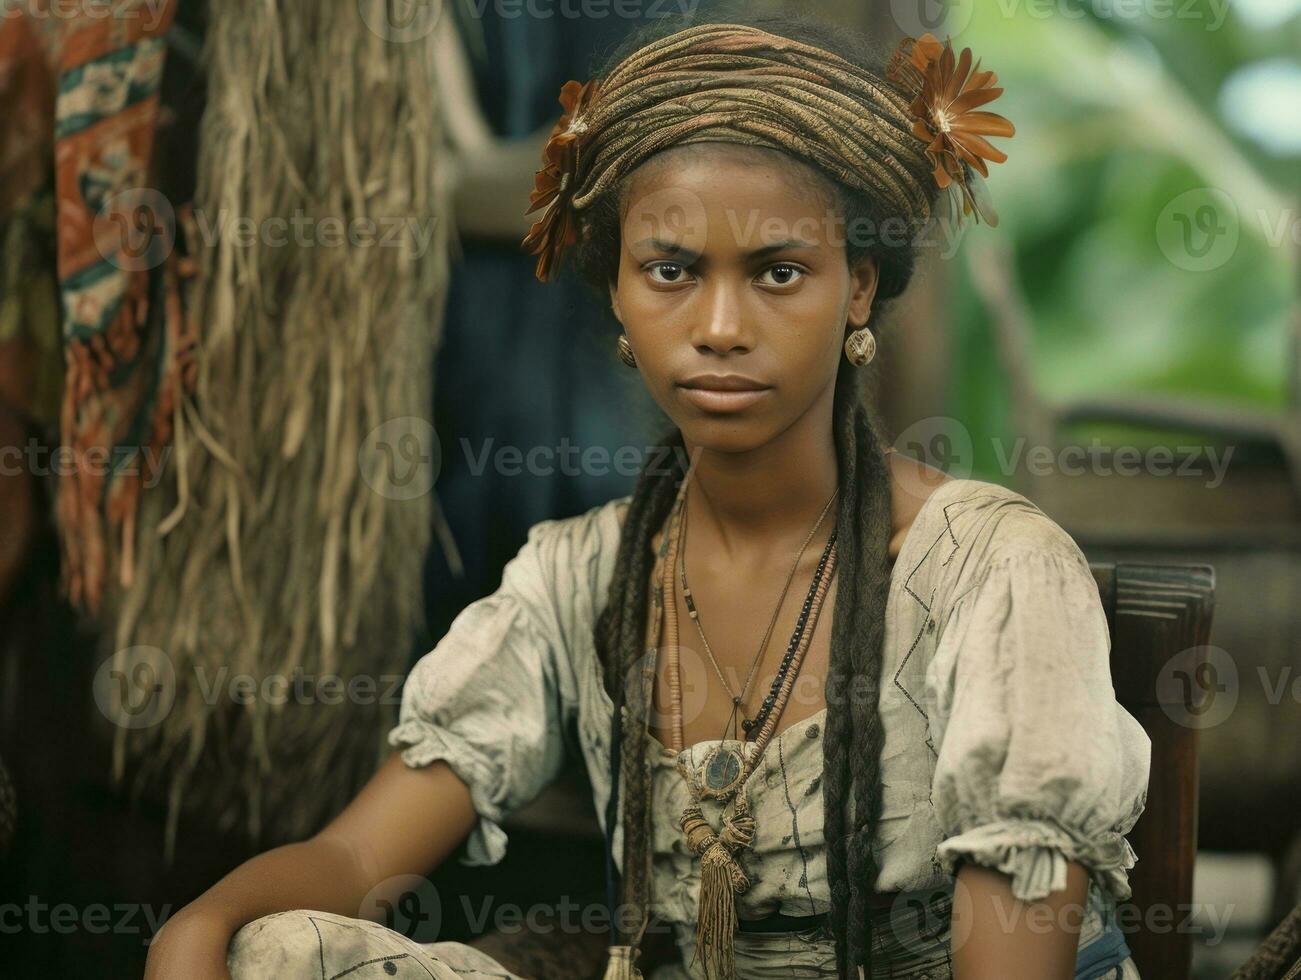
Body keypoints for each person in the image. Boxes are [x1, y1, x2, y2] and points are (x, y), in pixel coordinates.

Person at [143, 12, 1150, 980]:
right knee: (274, 953)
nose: (717, 324)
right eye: (669, 269)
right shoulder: (576, 576)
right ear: (617, 295)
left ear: (855, 288)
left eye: (777, 270)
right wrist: (201, 925)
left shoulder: (988, 568)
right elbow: (359, 861)